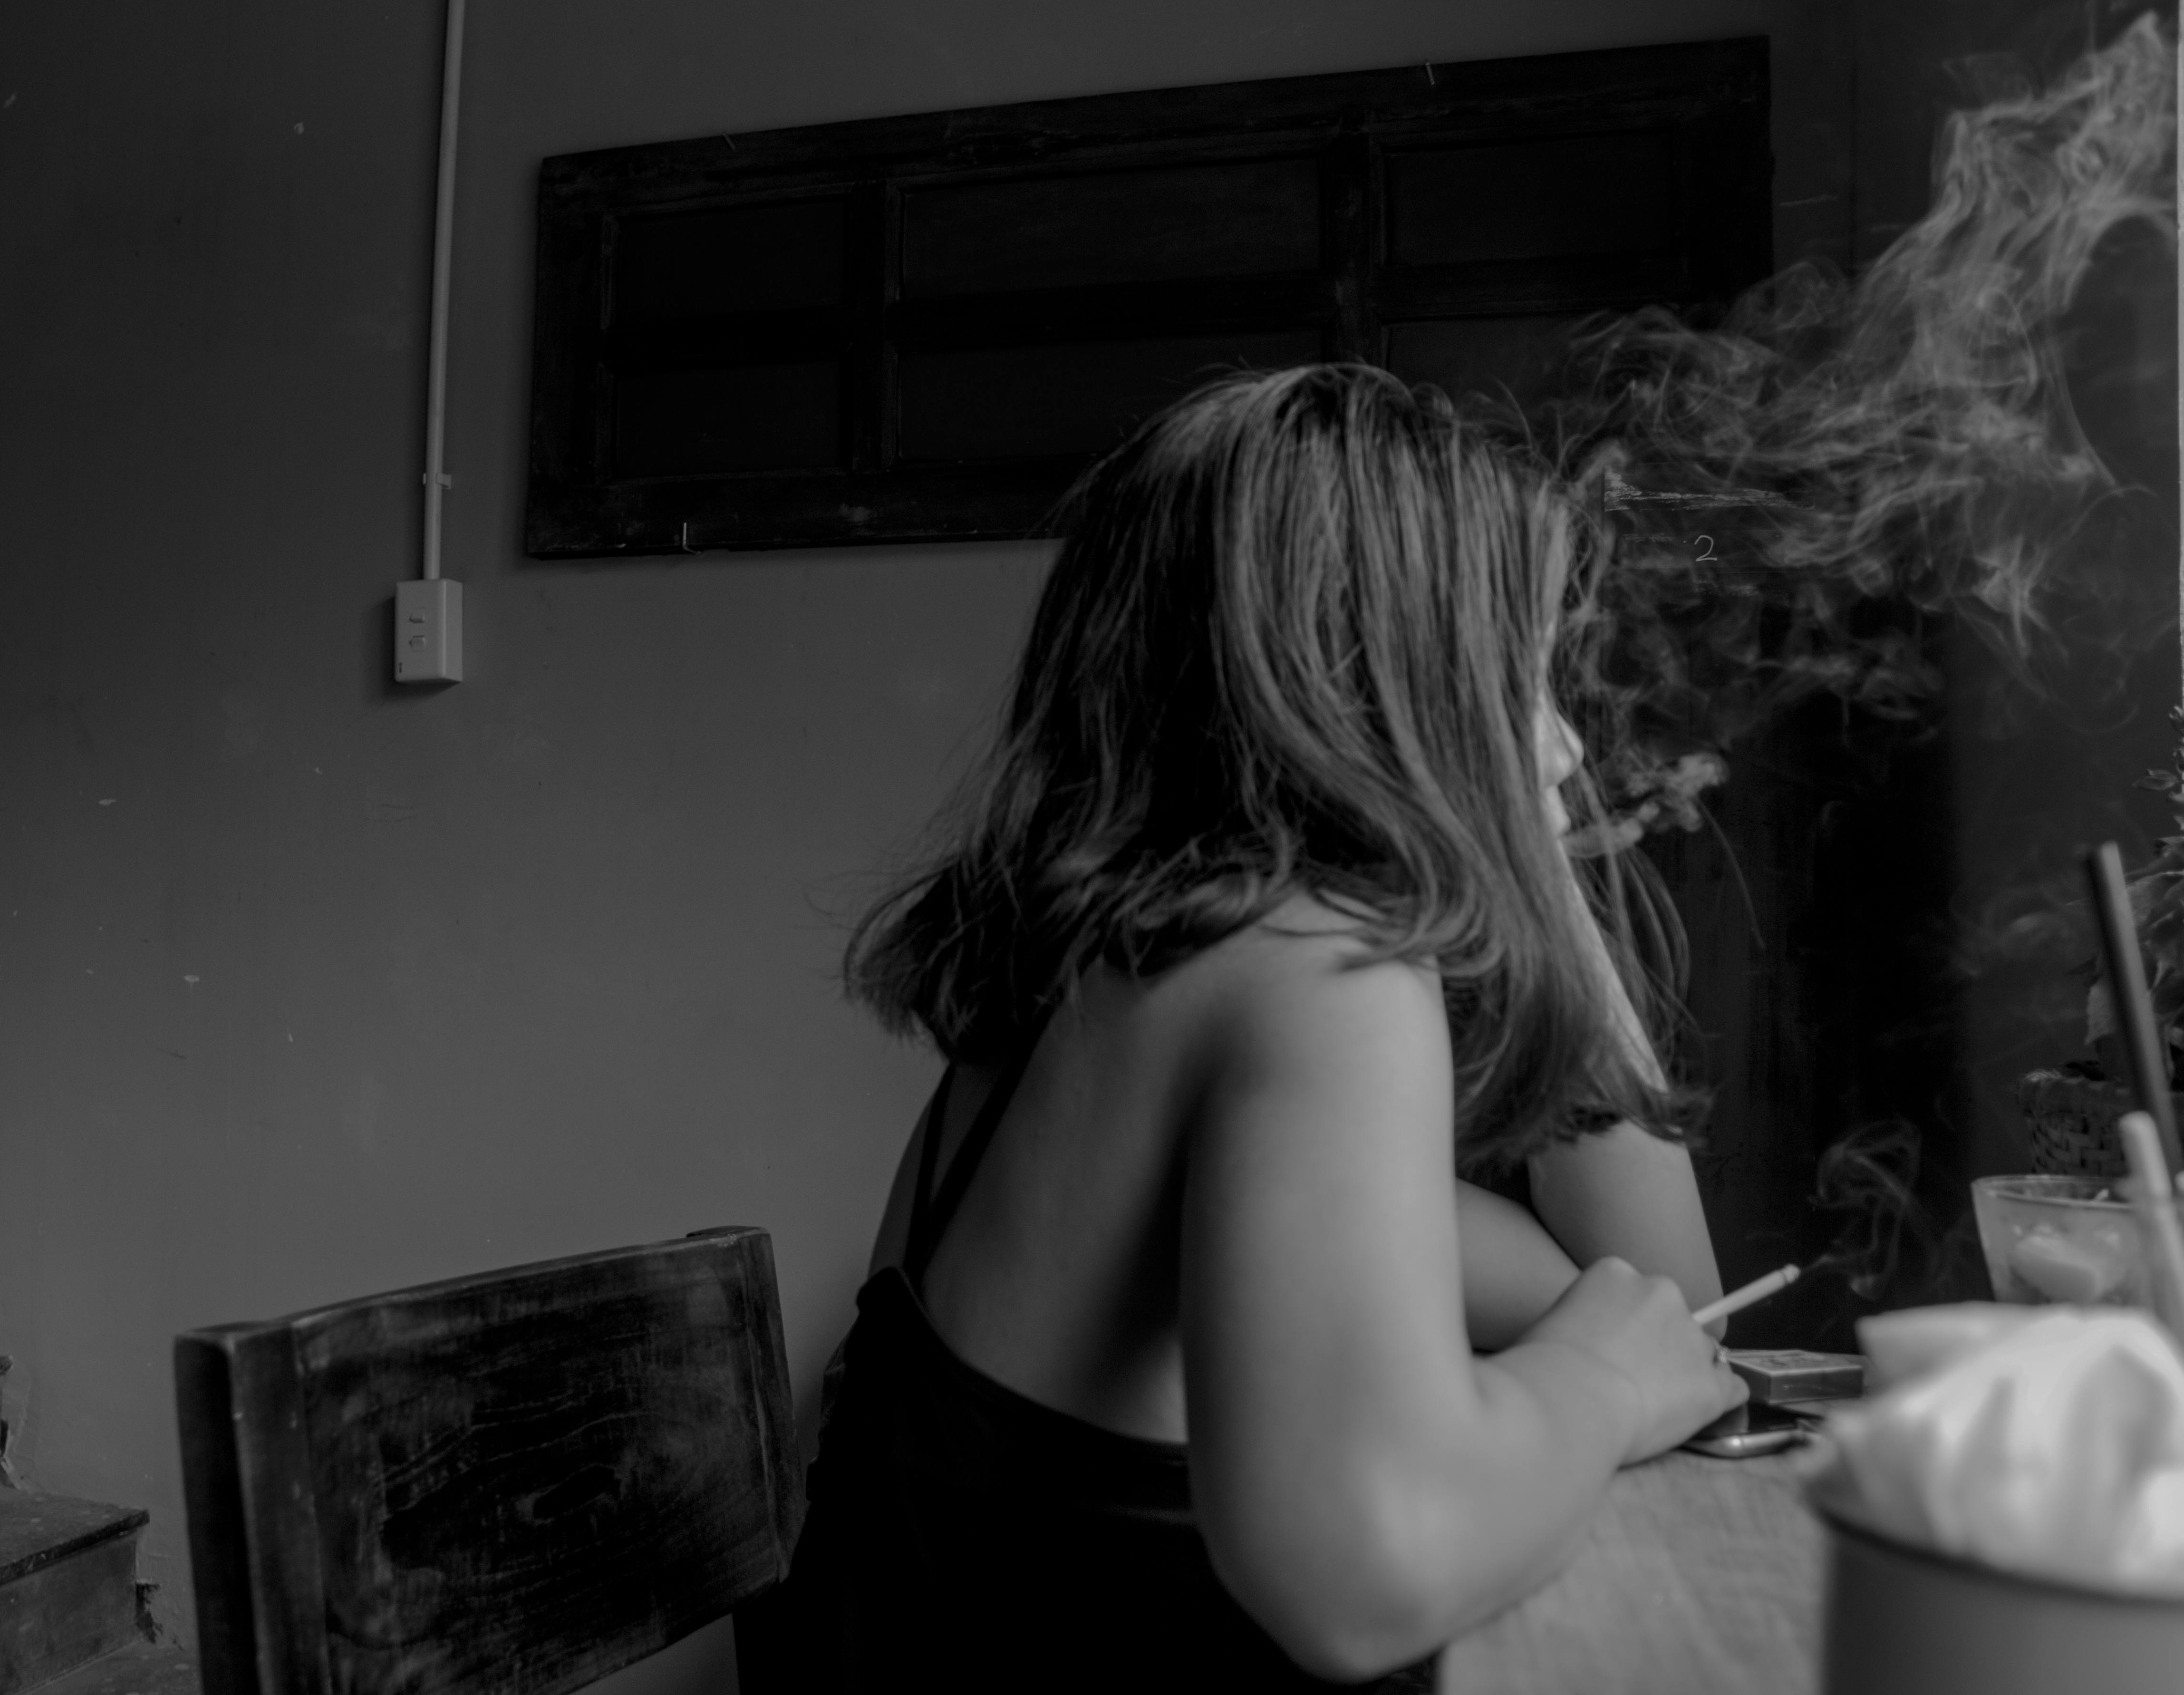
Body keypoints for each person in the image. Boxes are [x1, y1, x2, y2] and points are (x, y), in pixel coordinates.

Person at [737, 364, 1747, 1692]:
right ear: (1392, 679)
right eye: (1515, 673)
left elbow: (1648, 1303)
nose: (1564, 749)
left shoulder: (1077, 1011)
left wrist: (1526, 868)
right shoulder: (1309, 973)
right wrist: (1601, 1389)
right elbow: (1367, 1573)